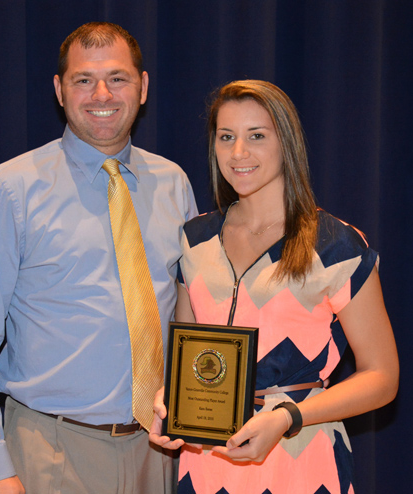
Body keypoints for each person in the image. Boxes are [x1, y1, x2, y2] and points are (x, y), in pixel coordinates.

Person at [0, 22, 197, 494]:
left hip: (157, 454)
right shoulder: (10, 190)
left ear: (143, 88)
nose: (102, 93)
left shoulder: (174, 184)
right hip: (50, 453)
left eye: (118, 78)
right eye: (83, 80)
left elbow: (191, 316)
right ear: (60, 90)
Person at [149, 80, 399, 493]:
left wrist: (288, 417)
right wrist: (169, 401)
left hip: (301, 455)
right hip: (207, 462)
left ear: (287, 142)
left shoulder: (337, 246)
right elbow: (189, 359)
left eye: (257, 136)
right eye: (226, 137)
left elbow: (383, 377)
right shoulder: (194, 240)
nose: (238, 153)